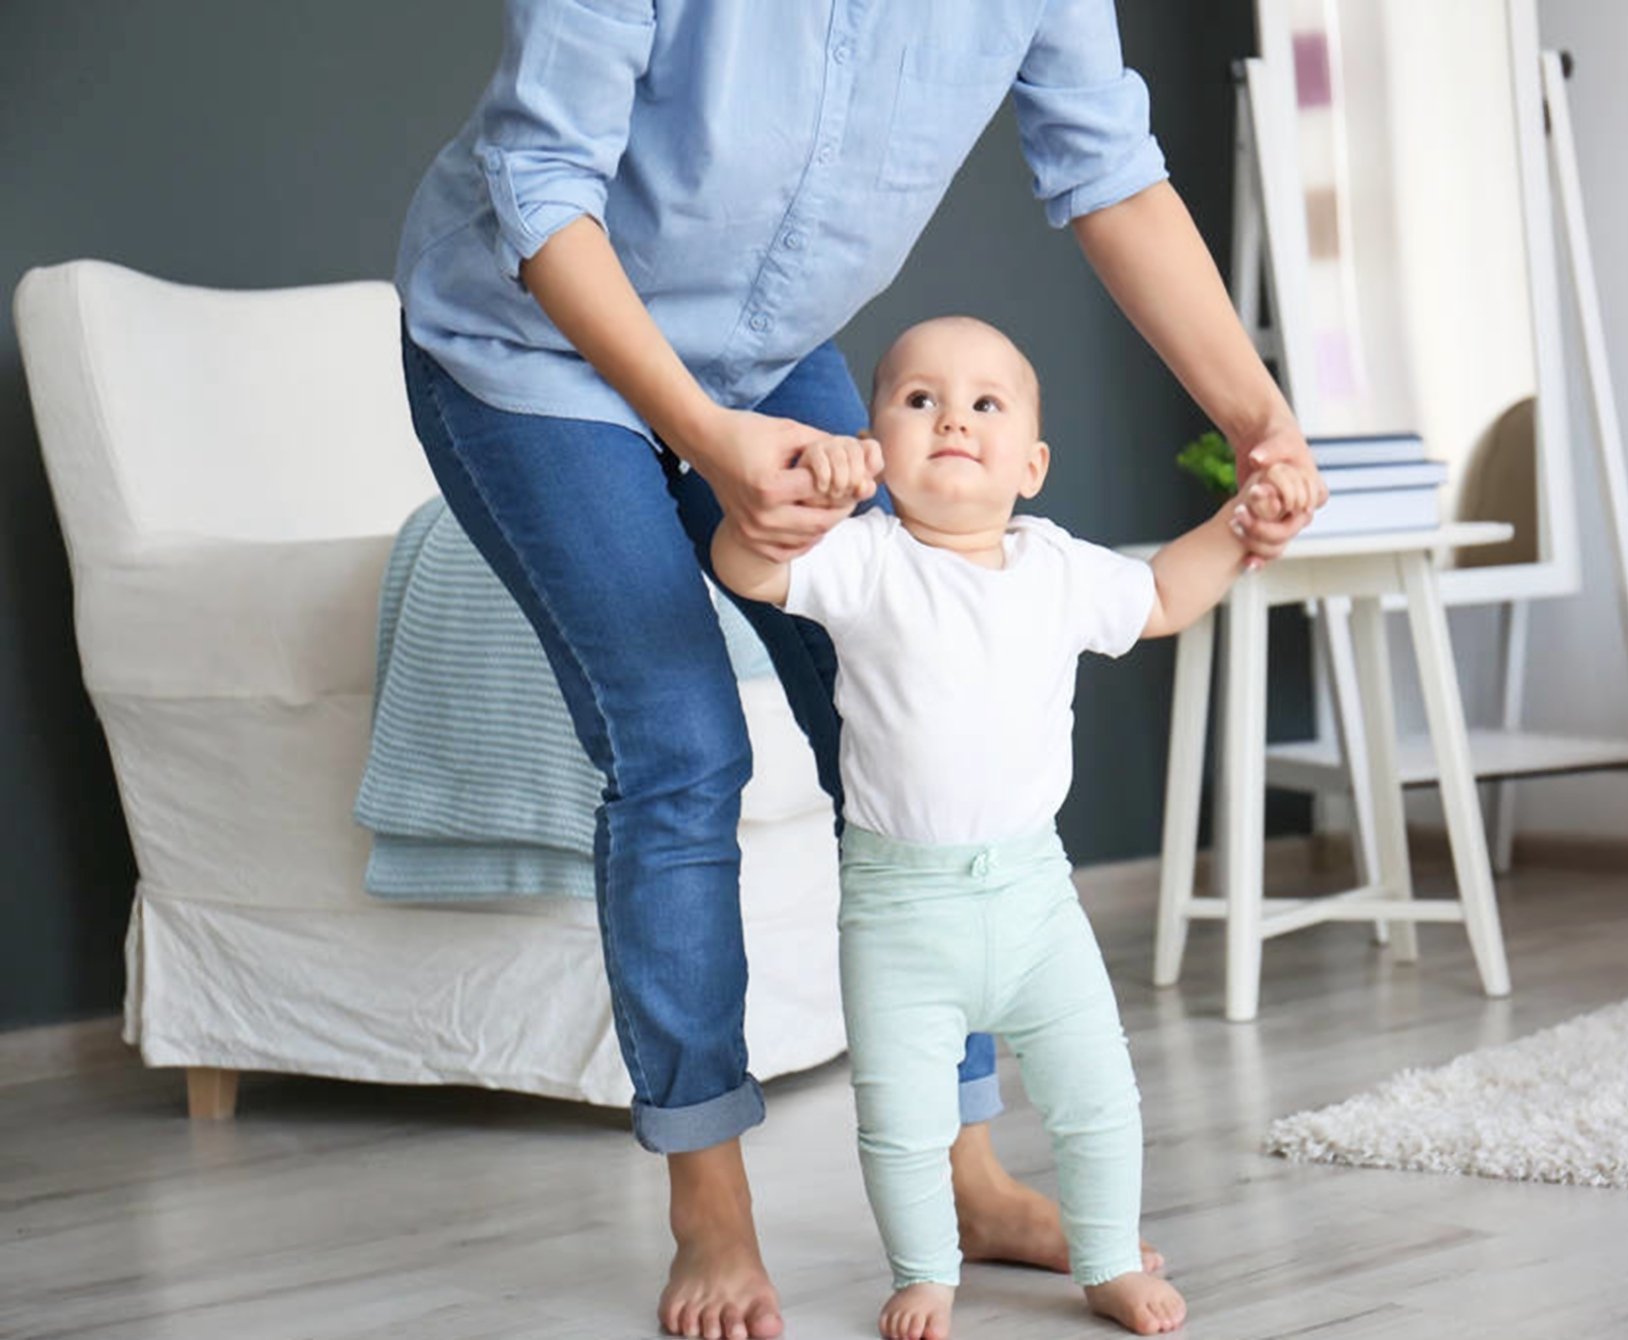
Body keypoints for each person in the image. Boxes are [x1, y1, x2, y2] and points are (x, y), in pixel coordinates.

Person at [393, 5, 1326, 1337]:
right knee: (679, 743)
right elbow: (541, 188)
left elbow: (1110, 166)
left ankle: (968, 1177)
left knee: (886, 699)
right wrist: (711, 443)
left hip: (765, 354)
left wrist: (1262, 421)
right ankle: (710, 1206)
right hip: (532, 345)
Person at [713, 316, 1313, 1340]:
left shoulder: (1059, 568)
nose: (952, 415)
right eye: (918, 400)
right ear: (878, 446)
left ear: (1030, 464)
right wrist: (802, 499)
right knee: (901, 1121)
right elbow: (744, 569)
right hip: (900, 911)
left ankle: (1108, 1256)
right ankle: (924, 1269)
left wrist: (1241, 525)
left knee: (1099, 1096)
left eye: (985, 402)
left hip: (1036, 901)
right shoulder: (864, 559)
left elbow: (1165, 593)